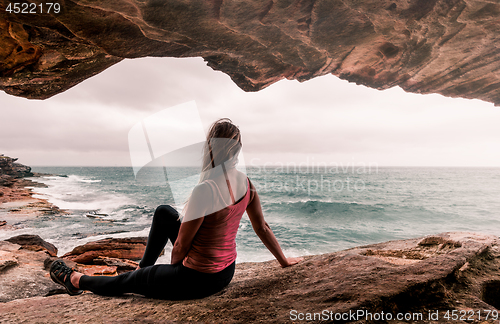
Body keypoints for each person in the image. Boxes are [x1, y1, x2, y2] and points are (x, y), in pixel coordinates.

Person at [50, 118, 301, 299]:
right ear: (237, 150)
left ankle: (74, 280)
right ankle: (144, 266)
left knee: (127, 282)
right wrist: (284, 262)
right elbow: (263, 227)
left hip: (198, 280)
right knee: (164, 213)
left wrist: (172, 271)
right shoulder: (246, 183)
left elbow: (181, 245)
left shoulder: (205, 190)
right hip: (227, 272)